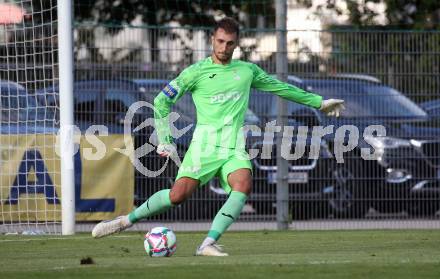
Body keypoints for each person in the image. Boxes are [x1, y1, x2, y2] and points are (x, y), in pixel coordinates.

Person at [92, 17, 344, 256]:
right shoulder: (195, 72)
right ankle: (125, 221)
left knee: (243, 184)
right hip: (204, 147)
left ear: (237, 44)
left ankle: (208, 243)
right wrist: (166, 138)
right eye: (220, 41)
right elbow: (161, 100)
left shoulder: (247, 71)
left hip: (234, 146)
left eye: (230, 43)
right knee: (176, 196)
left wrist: (320, 103)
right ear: (213, 39)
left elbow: (281, 87)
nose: (224, 47)